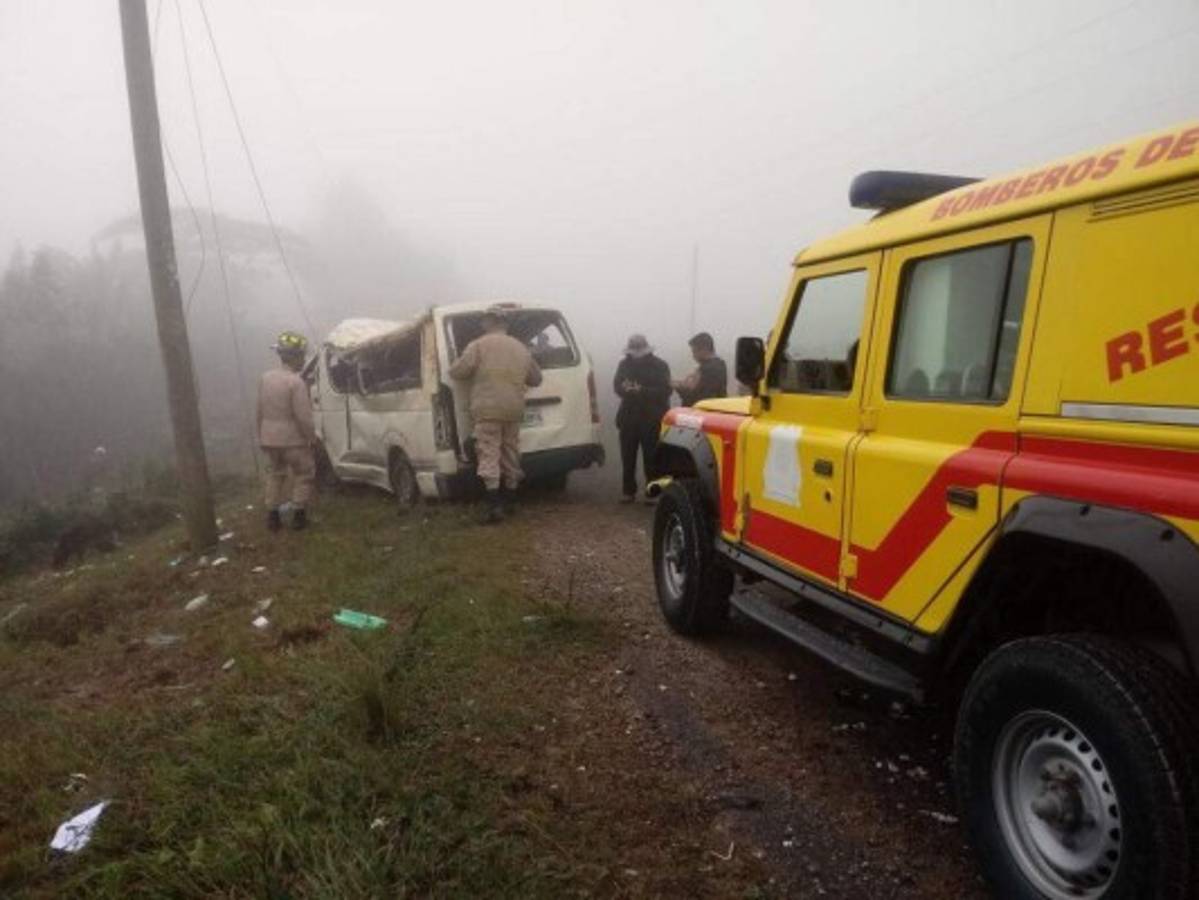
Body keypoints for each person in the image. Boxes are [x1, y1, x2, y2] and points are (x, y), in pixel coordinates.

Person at [449, 306, 543, 524]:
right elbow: (536, 379)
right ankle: (511, 500)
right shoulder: (521, 348)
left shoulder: (478, 345)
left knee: (489, 452)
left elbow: (458, 371)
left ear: (488, 322)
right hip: (514, 409)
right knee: (510, 452)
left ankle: (494, 506)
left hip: (487, 409)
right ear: (505, 324)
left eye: (483, 321)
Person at [257, 330, 317, 531]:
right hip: (293, 441)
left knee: (275, 474)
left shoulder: (265, 378)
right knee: (304, 474)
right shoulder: (296, 382)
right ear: (296, 357)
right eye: (302, 356)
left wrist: (261, 436)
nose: (303, 360)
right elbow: (303, 416)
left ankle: (273, 518)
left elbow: (259, 410)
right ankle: (299, 517)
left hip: (269, 439)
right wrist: (311, 437)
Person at [613, 334, 671, 503]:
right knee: (627, 456)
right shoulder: (624, 364)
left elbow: (666, 391)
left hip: (652, 417)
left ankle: (652, 493)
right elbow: (616, 386)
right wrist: (626, 389)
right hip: (628, 417)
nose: (635, 354)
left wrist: (642, 390)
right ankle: (628, 491)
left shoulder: (660, 365)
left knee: (652, 457)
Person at [672, 331, 728, 406]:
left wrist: (680, 388)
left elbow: (698, 398)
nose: (693, 356)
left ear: (705, 349)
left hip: (705, 413)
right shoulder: (719, 364)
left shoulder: (708, 369)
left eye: (694, 351)